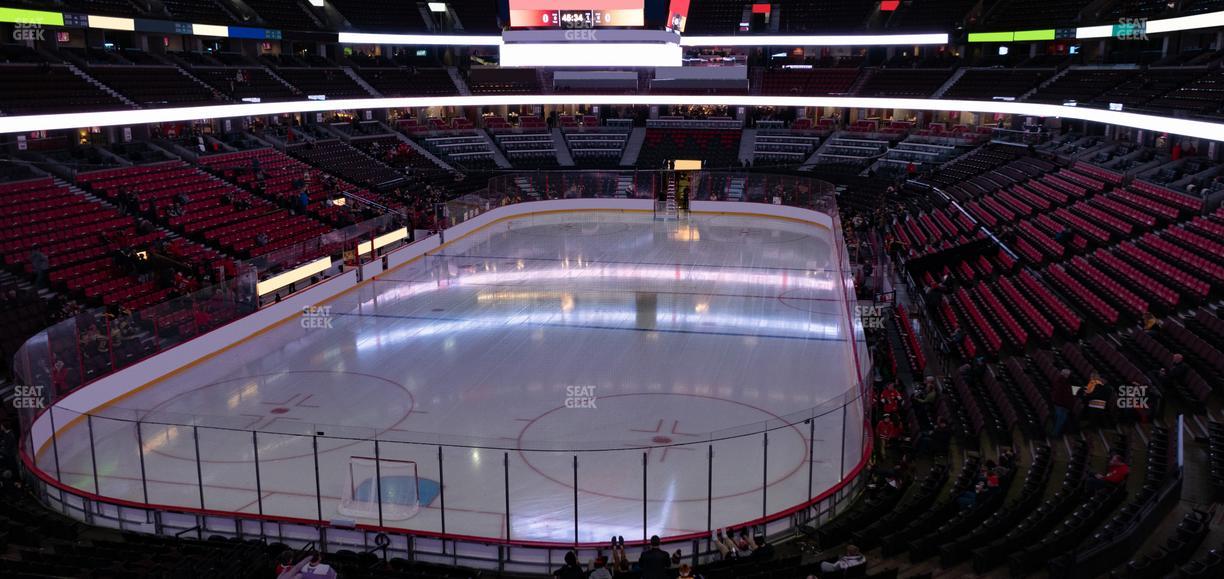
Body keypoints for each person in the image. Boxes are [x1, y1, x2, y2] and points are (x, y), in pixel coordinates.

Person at [1051, 368, 1076, 437]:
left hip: (1058, 403)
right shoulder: (1065, 383)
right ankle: (1055, 434)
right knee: (1060, 420)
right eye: (1068, 375)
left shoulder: (1058, 381)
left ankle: (1056, 433)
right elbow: (1066, 396)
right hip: (1063, 405)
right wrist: (1070, 405)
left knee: (1060, 420)